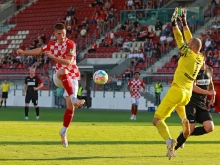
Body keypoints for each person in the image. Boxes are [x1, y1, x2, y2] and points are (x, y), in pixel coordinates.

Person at [17, 23, 85, 148]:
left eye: (64, 33)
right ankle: (74, 98)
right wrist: (24, 52)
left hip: (73, 76)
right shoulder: (52, 45)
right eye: (59, 34)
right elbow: (39, 50)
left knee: (70, 107)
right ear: (54, 34)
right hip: (59, 76)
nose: (62, 36)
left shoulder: (70, 44)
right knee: (63, 71)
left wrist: (53, 57)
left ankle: (63, 131)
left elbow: (68, 61)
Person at [152, 8, 204, 160]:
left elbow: (180, 39)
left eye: (189, 45)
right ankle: (184, 119)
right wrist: (185, 22)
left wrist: (174, 23)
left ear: (192, 48)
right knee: (178, 105)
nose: (187, 45)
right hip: (187, 94)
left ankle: (169, 141)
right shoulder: (200, 57)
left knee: (157, 120)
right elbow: (190, 39)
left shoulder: (187, 53)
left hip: (178, 90)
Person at [174, 61, 216, 154]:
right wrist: (208, 93)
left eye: (199, 60)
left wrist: (213, 95)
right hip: (191, 103)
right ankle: (173, 149)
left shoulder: (209, 70)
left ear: (203, 59)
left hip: (202, 104)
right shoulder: (193, 71)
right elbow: (193, 87)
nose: (197, 62)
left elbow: (210, 83)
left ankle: (184, 133)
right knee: (191, 129)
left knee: (210, 127)